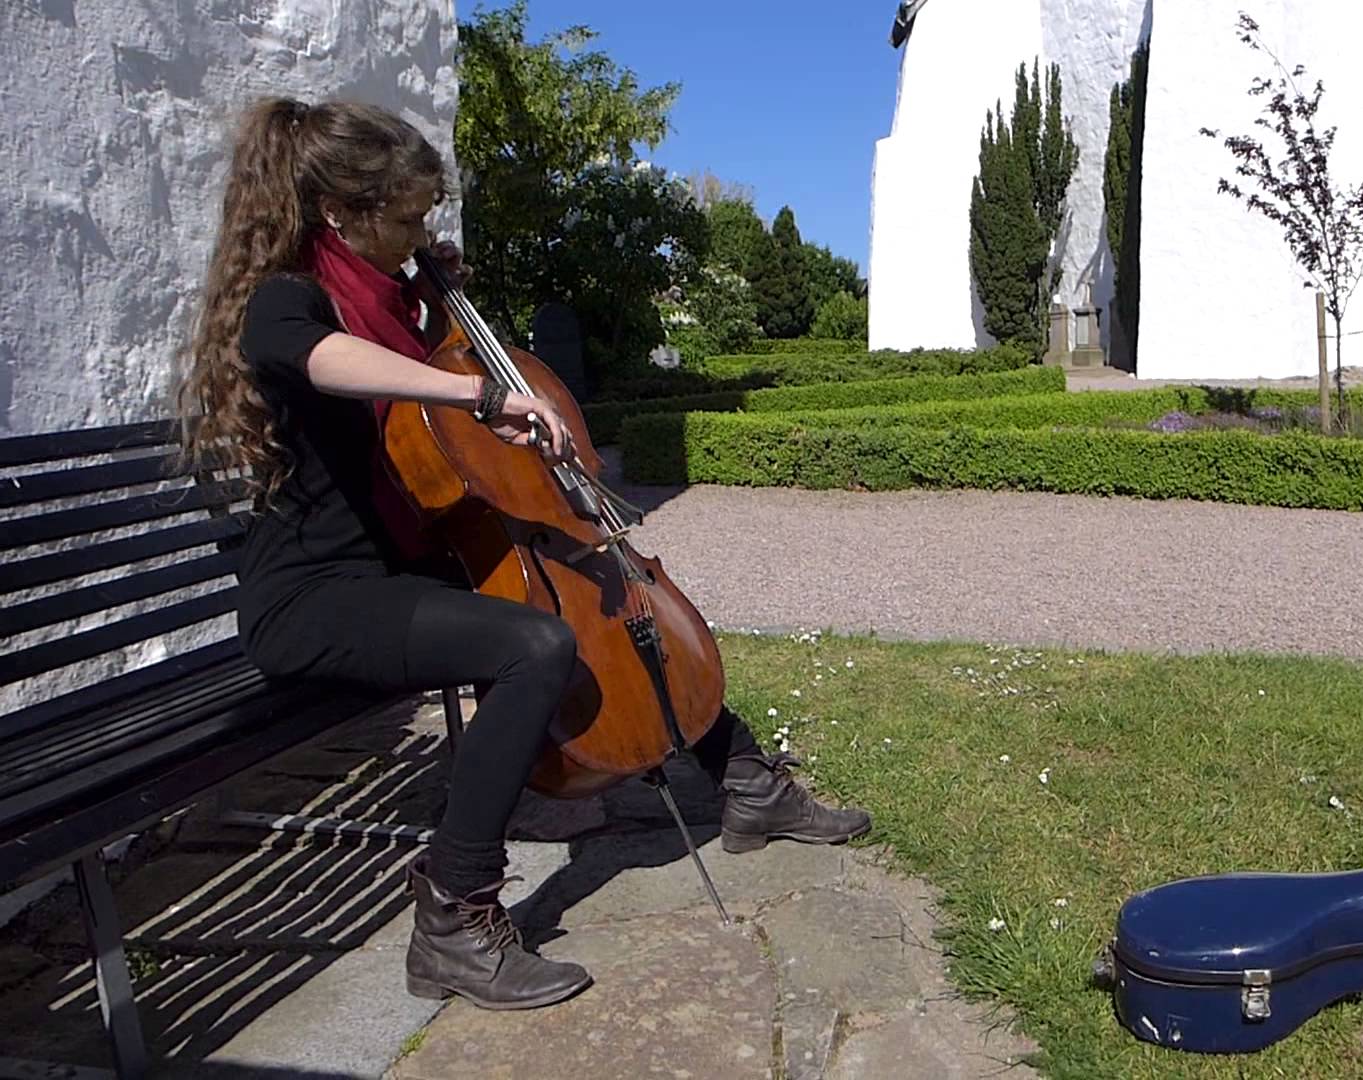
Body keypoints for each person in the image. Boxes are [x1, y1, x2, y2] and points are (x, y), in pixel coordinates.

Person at [174, 97, 870, 1011]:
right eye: (407, 219)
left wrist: (441, 310)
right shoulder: (288, 299)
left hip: (400, 567)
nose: (420, 236)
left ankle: (742, 778)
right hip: (314, 598)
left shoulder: (393, 303)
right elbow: (316, 357)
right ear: (340, 214)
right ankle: (455, 918)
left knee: (601, 585)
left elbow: (430, 443)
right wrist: (476, 391)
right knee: (534, 646)